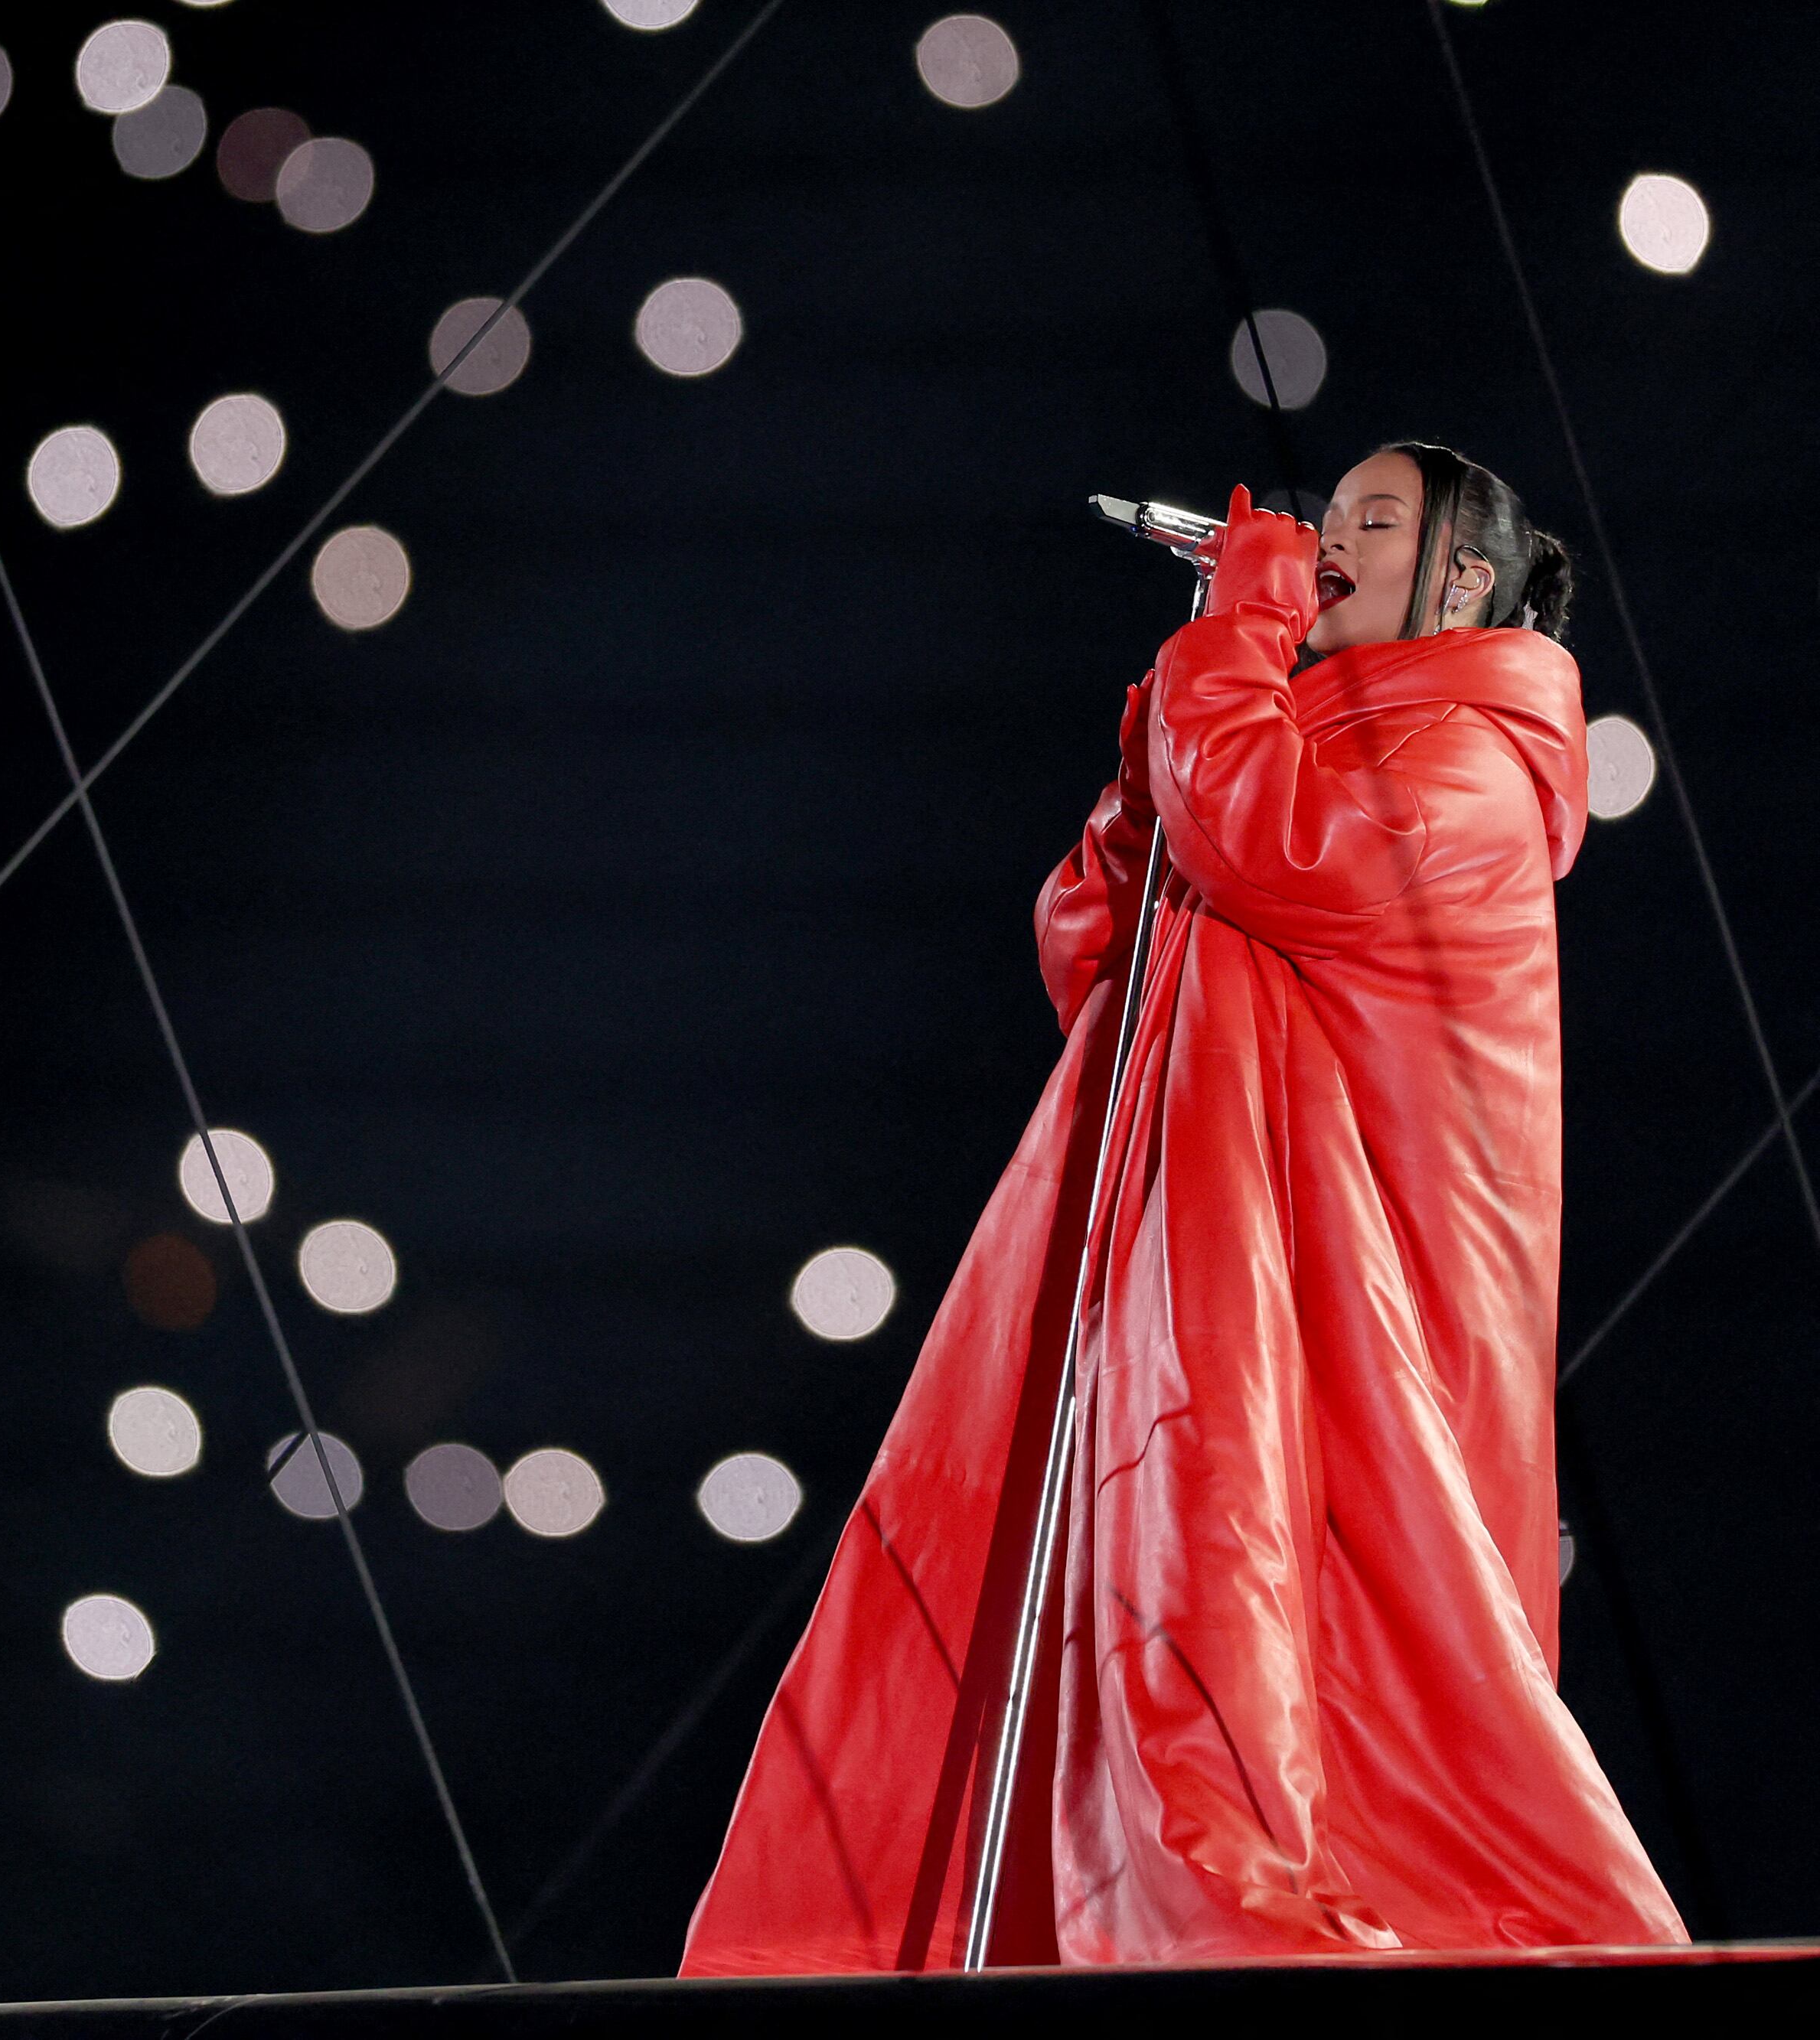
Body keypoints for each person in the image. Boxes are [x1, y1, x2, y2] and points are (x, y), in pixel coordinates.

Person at [681, 445, 1687, 1970]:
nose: (1323, 536)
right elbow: (1097, 949)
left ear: (1459, 581)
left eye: (1369, 521)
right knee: (1167, 1574)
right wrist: (1169, 726)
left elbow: (1268, 848)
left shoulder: (1471, 763)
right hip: (1232, 1273)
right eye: (1324, 514)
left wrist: (1223, 650)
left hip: (1362, 1313)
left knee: (1308, 1639)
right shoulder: (1288, 732)